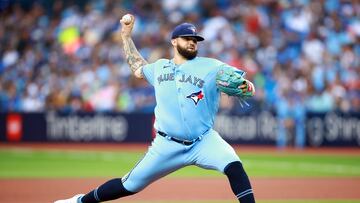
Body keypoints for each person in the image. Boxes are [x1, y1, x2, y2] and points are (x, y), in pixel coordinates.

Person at [55, 14, 256, 203]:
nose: (193, 41)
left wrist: (247, 86)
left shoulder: (212, 66)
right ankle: (80, 200)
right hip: (167, 144)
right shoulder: (159, 67)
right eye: (187, 38)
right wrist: (126, 37)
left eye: (195, 39)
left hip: (203, 140)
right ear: (174, 41)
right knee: (129, 184)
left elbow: (242, 83)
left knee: (234, 166)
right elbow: (137, 67)